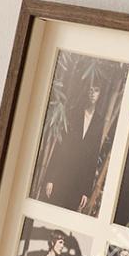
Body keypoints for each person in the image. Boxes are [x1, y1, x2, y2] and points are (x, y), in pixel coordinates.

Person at [43, 84, 105, 212]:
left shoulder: (99, 121)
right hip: (62, 175)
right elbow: (60, 147)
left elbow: (93, 157)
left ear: (100, 94)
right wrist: (51, 179)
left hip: (78, 182)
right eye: (91, 89)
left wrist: (86, 191)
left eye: (96, 90)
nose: (93, 93)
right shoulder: (74, 112)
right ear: (87, 91)